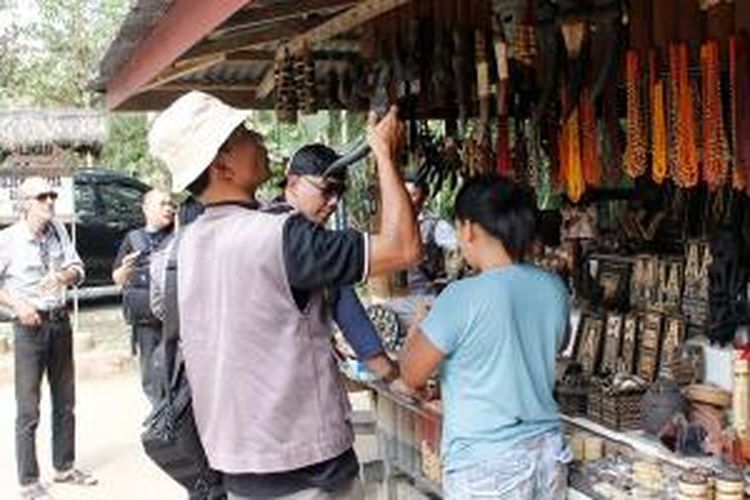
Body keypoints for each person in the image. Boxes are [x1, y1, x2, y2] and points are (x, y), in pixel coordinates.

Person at [147, 91, 421, 500]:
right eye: (243, 134)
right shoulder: (282, 238)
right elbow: (403, 247)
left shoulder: (171, 255)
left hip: (233, 467)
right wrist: (383, 152)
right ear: (222, 164)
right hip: (308, 471)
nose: (257, 137)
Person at [399, 177, 570, 500]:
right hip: (547, 454)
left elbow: (411, 373)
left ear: (468, 229)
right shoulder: (553, 287)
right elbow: (556, 344)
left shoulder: (462, 296)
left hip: (487, 463)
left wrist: (418, 327)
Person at [0, 177, 97, 500]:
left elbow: (78, 269)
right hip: (29, 327)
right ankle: (29, 481)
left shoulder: (58, 231)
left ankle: (64, 467)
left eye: (52, 196)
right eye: (42, 197)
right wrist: (18, 306)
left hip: (59, 322)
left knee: (65, 402)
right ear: (25, 203)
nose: (50, 202)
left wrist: (63, 276)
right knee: (29, 409)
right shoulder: (9, 239)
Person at [272, 143, 397, 381]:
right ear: (293, 183)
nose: (333, 202)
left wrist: (389, 373)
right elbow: (401, 248)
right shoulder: (292, 239)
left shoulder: (267, 225)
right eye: (326, 190)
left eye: (339, 193)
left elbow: (345, 303)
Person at [112, 189, 176, 404]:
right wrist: (125, 271)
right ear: (146, 209)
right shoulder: (133, 239)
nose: (169, 208)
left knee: (174, 374)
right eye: (162, 204)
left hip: (174, 320)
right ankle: (159, 425)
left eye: (171, 204)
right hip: (145, 322)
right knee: (150, 376)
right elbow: (117, 277)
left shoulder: (178, 237)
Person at [404, 176, 457, 294]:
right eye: (403, 194)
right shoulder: (391, 225)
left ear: (424, 198)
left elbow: (459, 249)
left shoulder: (435, 225)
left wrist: (449, 278)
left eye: (412, 195)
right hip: (394, 296)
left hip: (423, 297)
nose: (406, 199)